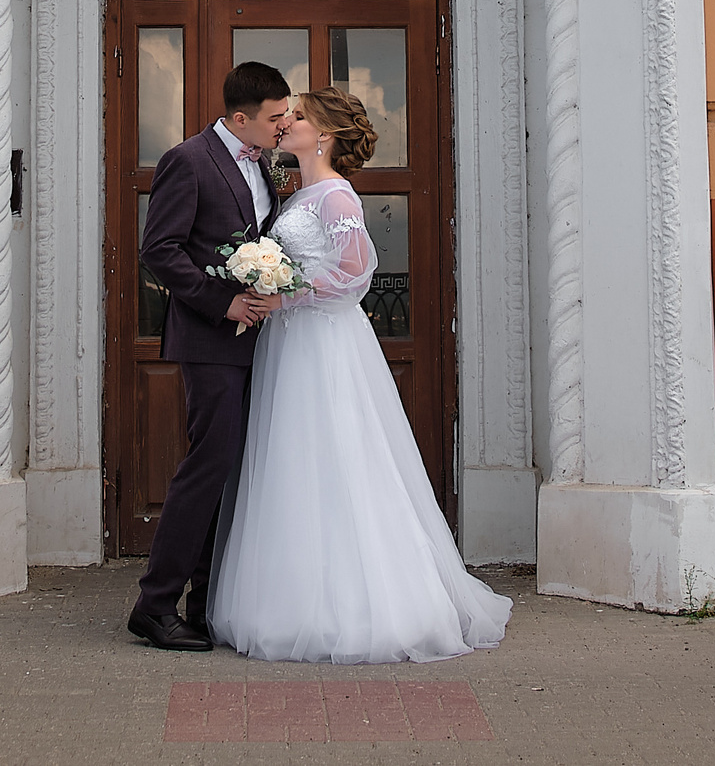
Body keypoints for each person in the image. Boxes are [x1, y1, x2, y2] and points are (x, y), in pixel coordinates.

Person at [207, 87, 511, 663]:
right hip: (292, 346)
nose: (286, 122)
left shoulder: (337, 199)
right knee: (293, 461)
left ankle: (363, 603)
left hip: (324, 344)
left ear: (322, 134)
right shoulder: (299, 194)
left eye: (296, 116)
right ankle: (289, 599)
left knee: (337, 456)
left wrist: (284, 294)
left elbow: (355, 277)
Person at [126, 60, 293, 652]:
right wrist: (221, 303)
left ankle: (204, 605)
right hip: (209, 341)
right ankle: (153, 605)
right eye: (275, 118)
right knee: (206, 468)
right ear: (240, 117)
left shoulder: (266, 163)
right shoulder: (188, 160)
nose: (284, 125)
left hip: (256, 345)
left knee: (231, 472)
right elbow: (159, 250)